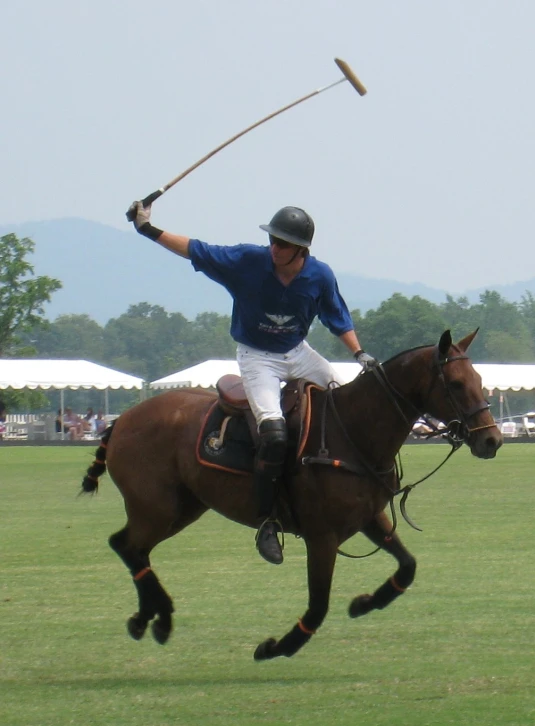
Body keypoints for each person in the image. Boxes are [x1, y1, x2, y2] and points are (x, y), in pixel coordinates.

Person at [127, 201, 377, 565]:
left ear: (302, 249)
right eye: (273, 240)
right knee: (273, 432)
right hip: (257, 356)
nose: (275, 248)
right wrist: (148, 229)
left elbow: (337, 317)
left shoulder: (319, 276)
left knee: (347, 408)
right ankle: (268, 520)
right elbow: (195, 249)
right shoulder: (246, 261)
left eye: (283, 244)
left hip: (297, 351)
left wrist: (360, 355)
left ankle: (358, 492)